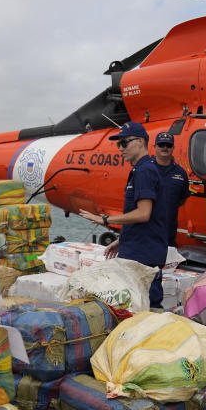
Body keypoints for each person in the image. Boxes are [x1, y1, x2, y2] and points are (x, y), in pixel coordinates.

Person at [79, 121, 167, 308]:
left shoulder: (145, 171)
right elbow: (149, 216)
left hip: (143, 256)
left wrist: (104, 219)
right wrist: (123, 240)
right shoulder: (140, 170)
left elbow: (143, 214)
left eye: (124, 143)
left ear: (141, 142)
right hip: (137, 248)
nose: (120, 148)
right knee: (133, 306)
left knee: (145, 308)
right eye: (119, 144)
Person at [151, 131, 189, 248]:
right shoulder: (145, 170)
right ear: (155, 147)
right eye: (161, 145)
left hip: (169, 231)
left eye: (168, 145)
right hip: (147, 231)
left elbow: (182, 199)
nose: (165, 148)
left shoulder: (181, 173)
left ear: (173, 148)